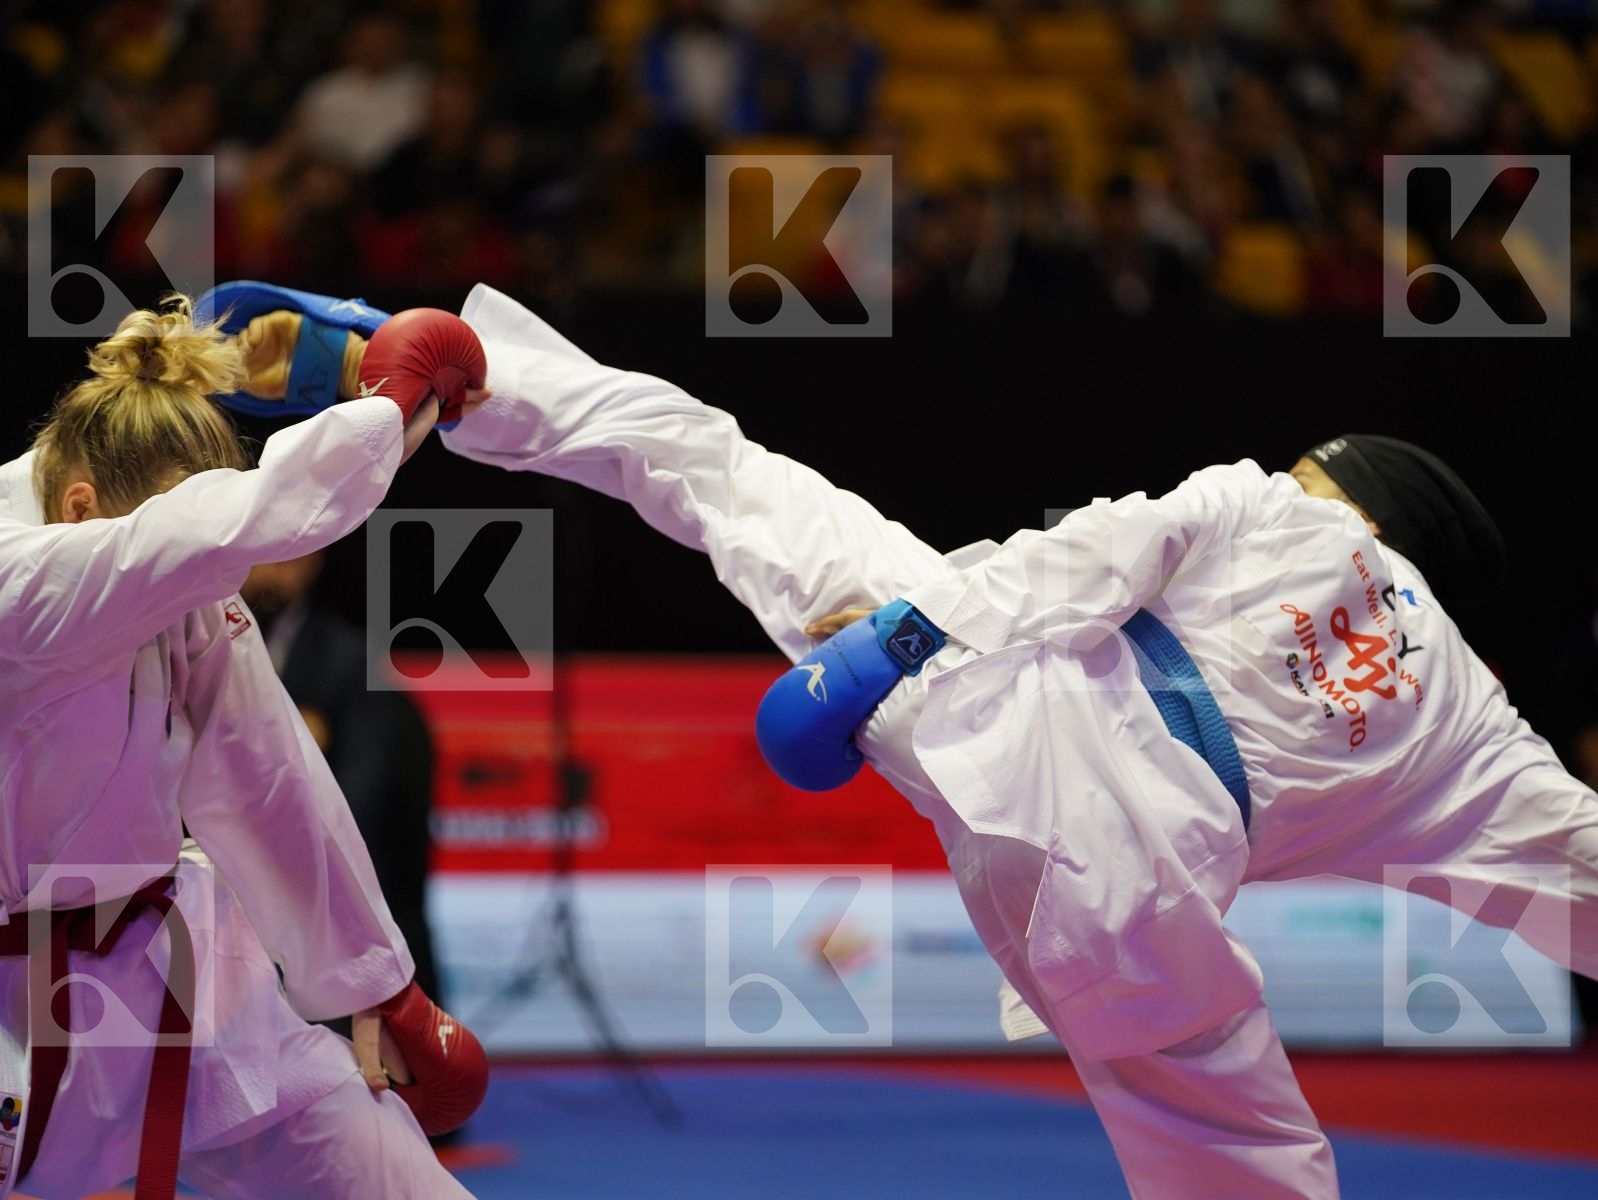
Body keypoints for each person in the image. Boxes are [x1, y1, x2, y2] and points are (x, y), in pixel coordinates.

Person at [229, 282, 1598, 1199]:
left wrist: (898, 641)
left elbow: (1092, 551)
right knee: (1256, 1167)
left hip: (1007, 709)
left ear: (1353, 503)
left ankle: (424, 368)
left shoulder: (1283, 509)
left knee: (702, 463)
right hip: (1138, 912)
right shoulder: (1481, 741)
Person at [0, 295, 487, 1199]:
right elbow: (238, 520)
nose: (215, 579)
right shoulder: (17, 576)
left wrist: (377, 984)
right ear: (80, 511)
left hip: (169, 980)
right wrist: (381, 401)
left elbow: (264, 773)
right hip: (10, 1014)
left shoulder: (171, 575)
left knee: (382, 1169)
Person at [241, 552, 444, 1021]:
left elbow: (353, 814)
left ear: (315, 560)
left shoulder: (351, 665)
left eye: (292, 556)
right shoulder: (192, 652)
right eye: (262, 552)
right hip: (225, 922)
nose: (273, 567)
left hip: (322, 926)